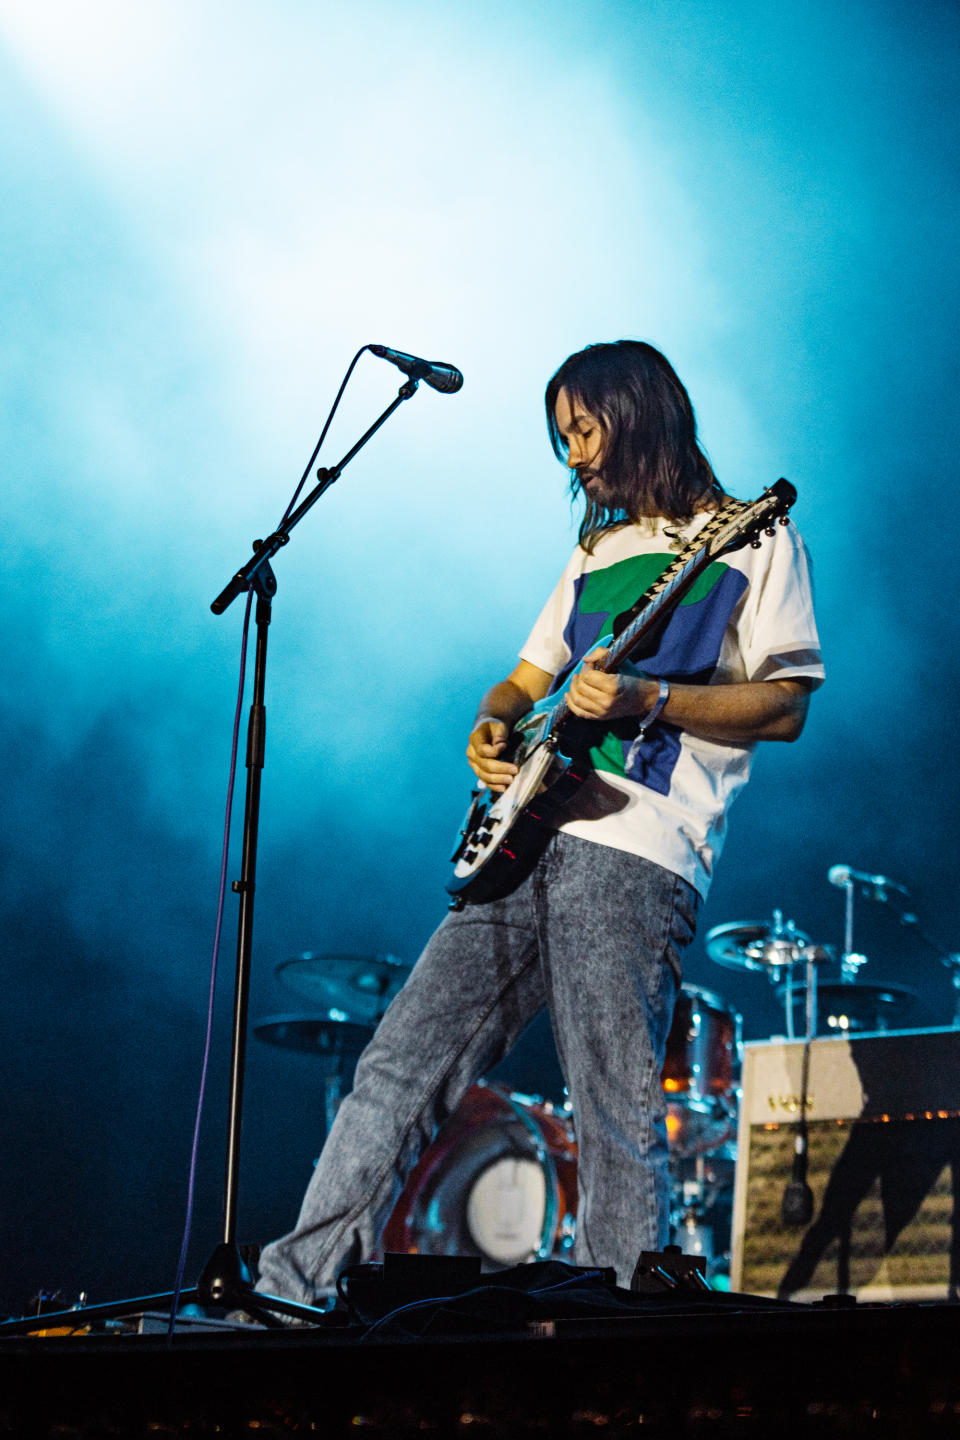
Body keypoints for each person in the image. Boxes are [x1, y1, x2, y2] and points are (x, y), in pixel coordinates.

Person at [256, 339, 824, 1302]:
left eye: (584, 429)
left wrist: (648, 698)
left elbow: (786, 705)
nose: (574, 456)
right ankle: (286, 1293)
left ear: (637, 414)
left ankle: (620, 1334)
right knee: (398, 1065)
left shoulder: (755, 537)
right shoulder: (595, 551)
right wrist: (487, 726)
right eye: (562, 437)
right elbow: (523, 682)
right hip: (524, 836)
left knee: (613, 1100)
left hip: (636, 845)